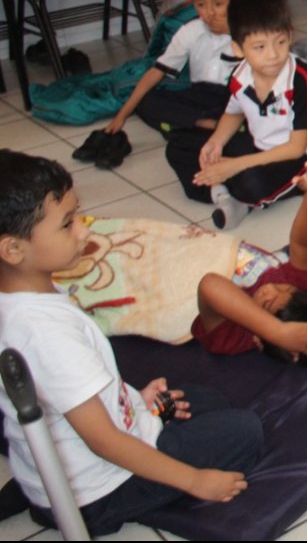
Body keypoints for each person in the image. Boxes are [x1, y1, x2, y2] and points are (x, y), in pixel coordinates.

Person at [0, 150, 261, 536]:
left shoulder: (22, 294)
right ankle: (55, 505)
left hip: (64, 460)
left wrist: (137, 400)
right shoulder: (44, 333)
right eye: (68, 224)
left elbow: (66, 393)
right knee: (245, 432)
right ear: (13, 250)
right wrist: (195, 481)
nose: (84, 231)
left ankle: (40, 495)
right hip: (97, 490)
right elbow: (104, 442)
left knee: (207, 401)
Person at [165, 0, 307, 230]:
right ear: (238, 49)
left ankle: (233, 192)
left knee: (252, 182)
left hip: (302, 157)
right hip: (261, 148)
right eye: (260, 47)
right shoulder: (240, 75)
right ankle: (223, 195)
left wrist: (236, 165)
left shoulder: (303, 80)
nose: (273, 55)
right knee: (178, 146)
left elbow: (296, 148)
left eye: (281, 42)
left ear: (290, 36)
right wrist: (216, 142)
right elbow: (234, 113)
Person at [193, 149, 307, 363]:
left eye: (267, 304)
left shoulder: (233, 335)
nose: (270, 289)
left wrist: (276, 332)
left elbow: (209, 285)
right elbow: (303, 245)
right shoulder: (301, 289)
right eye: (284, 289)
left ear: (259, 340)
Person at [104, 0, 241, 137]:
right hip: (199, 93)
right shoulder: (191, 29)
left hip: (234, 98)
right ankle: (205, 125)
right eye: (201, 5)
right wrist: (121, 116)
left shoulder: (249, 30)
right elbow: (156, 72)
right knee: (145, 100)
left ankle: (190, 126)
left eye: (218, 4)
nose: (209, 12)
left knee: (246, 108)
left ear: (235, 0)